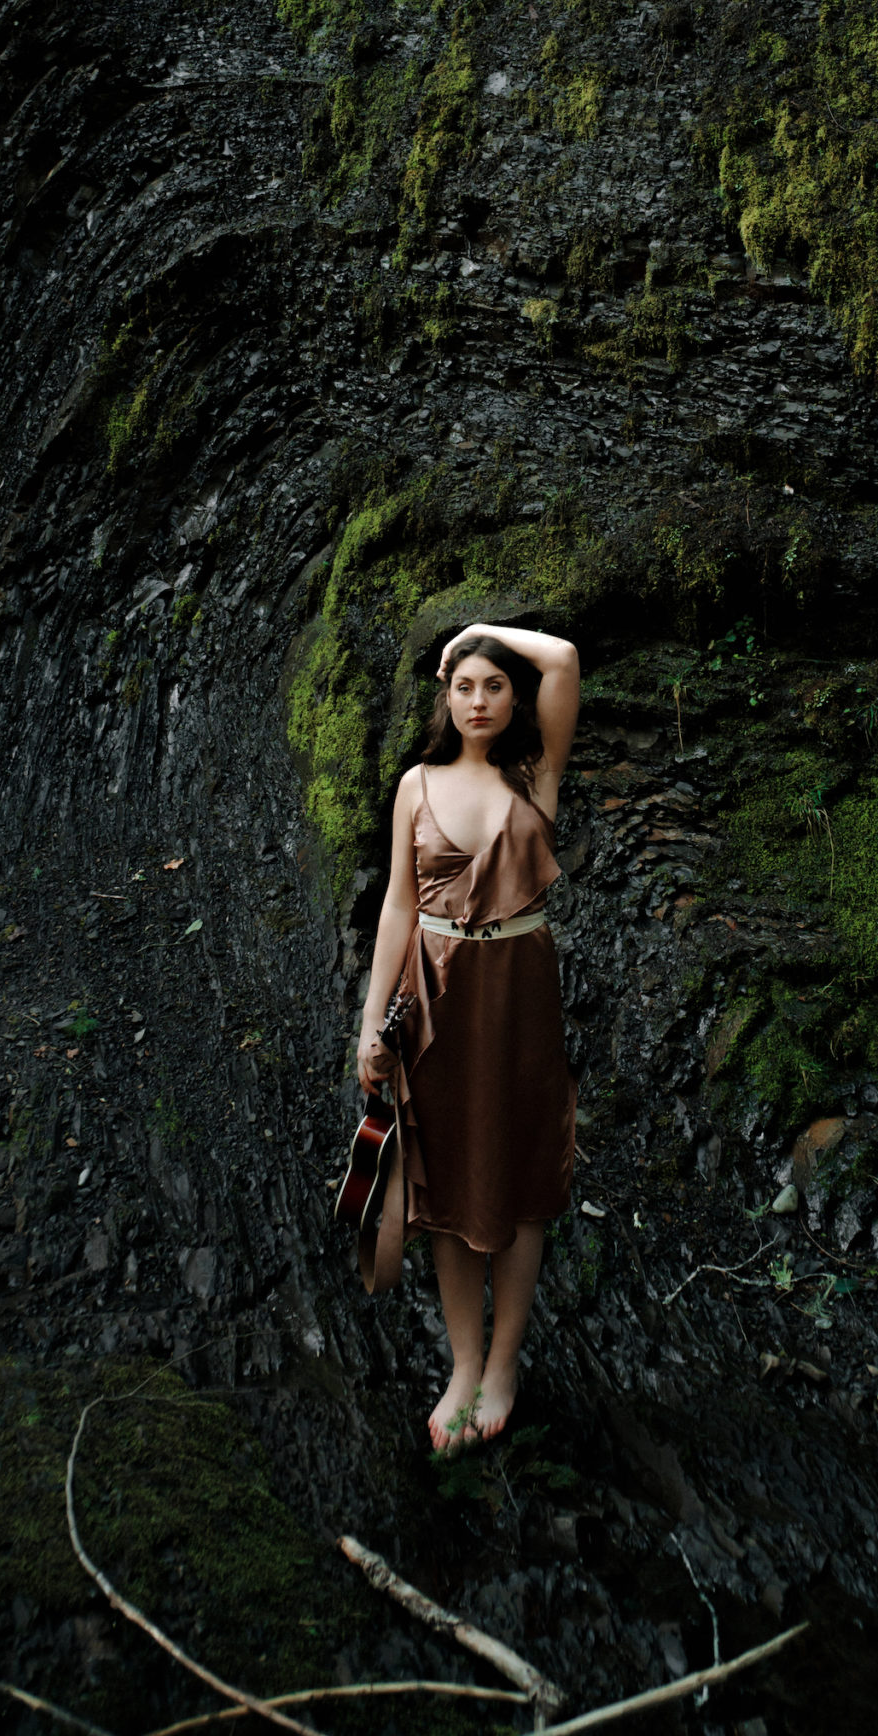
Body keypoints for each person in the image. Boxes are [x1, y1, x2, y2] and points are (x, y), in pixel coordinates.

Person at [356, 619, 580, 1453]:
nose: (477, 700)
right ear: (444, 700)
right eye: (462, 686)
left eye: (493, 685)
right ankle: (462, 1365)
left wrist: (477, 633)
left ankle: (503, 1365)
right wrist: (372, 1022)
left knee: (520, 1177)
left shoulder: (535, 775)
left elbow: (562, 658)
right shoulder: (416, 784)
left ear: (514, 698)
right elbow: (397, 905)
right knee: (445, 1184)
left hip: (519, 993)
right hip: (435, 994)